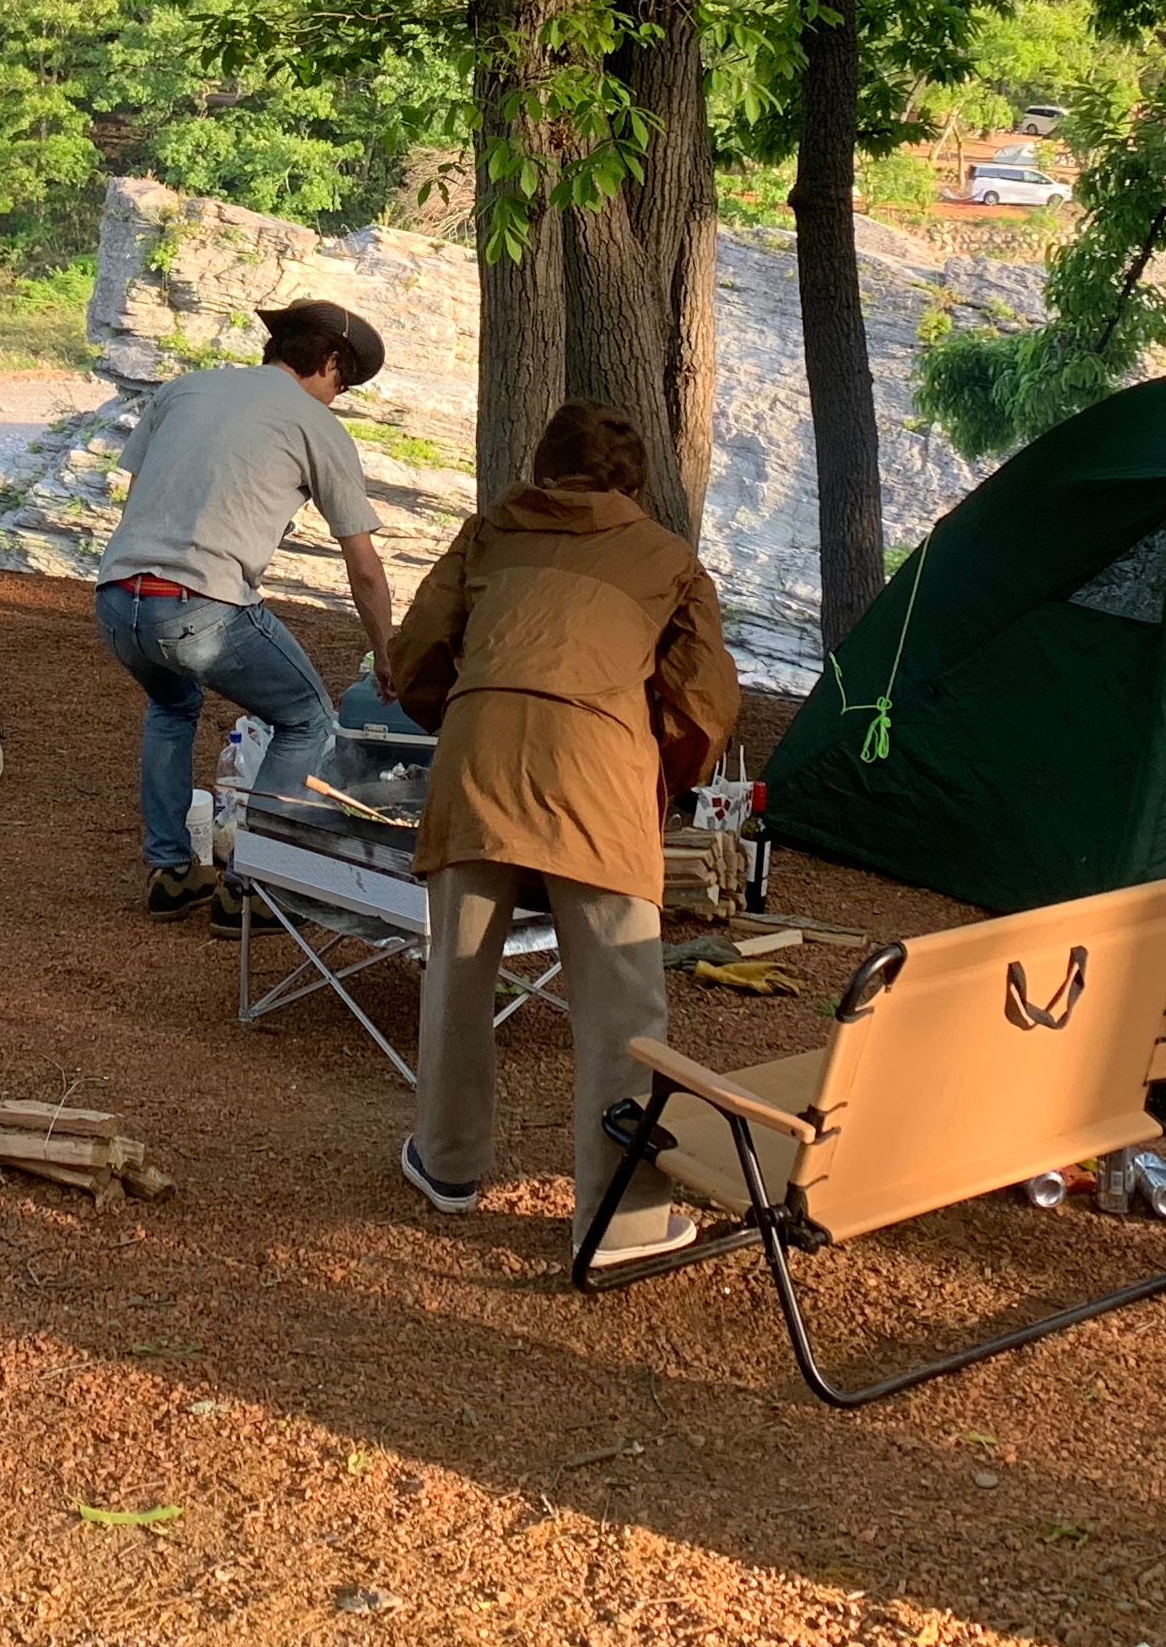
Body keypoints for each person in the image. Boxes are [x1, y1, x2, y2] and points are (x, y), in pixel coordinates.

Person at [384, 400, 739, 1275]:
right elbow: (702, 705)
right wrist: (658, 775)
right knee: (623, 1004)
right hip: (599, 773)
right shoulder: (669, 558)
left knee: (459, 975)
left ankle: (448, 1162)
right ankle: (618, 1222)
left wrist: (465, 716)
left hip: (481, 760)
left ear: (544, 466)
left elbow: (416, 652)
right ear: (633, 483)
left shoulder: (488, 532)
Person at [95, 298, 397, 920]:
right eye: (344, 383)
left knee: (171, 704)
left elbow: (139, 502)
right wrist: (387, 653)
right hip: (198, 606)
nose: (338, 397)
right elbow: (363, 566)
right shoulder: (317, 426)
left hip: (118, 596)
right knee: (309, 718)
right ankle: (255, 886)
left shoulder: (184, 390)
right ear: (330, 362)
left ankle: (173, 870)